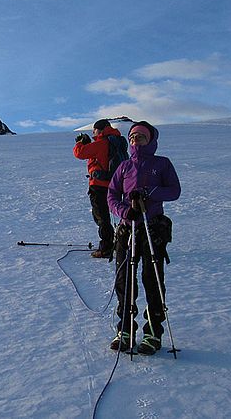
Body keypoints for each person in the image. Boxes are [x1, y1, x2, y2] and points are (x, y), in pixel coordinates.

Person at [107, 121, 180, 355]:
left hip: (153, 228)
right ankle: (125, 329)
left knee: (152, 278)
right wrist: (125, 210)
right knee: (124, 280)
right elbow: (111, 195)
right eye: (132, 137)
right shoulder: (124, 166)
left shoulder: (162, 164)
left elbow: (174, 191)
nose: (135, 141)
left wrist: (149, 193)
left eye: (140, 137)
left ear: (151, 140)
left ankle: (153, 332)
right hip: (128, 228)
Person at [73, 119, 122, 258]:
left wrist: (80, 142)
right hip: (112, 184)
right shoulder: (115, 142)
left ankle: (106, 247)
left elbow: (80, 153)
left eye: (94, 130)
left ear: (99, 130)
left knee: (101, 217)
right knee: (106, 215)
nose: (93, 133)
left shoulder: (102, 142)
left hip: (99, 184)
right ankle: (113, 243)